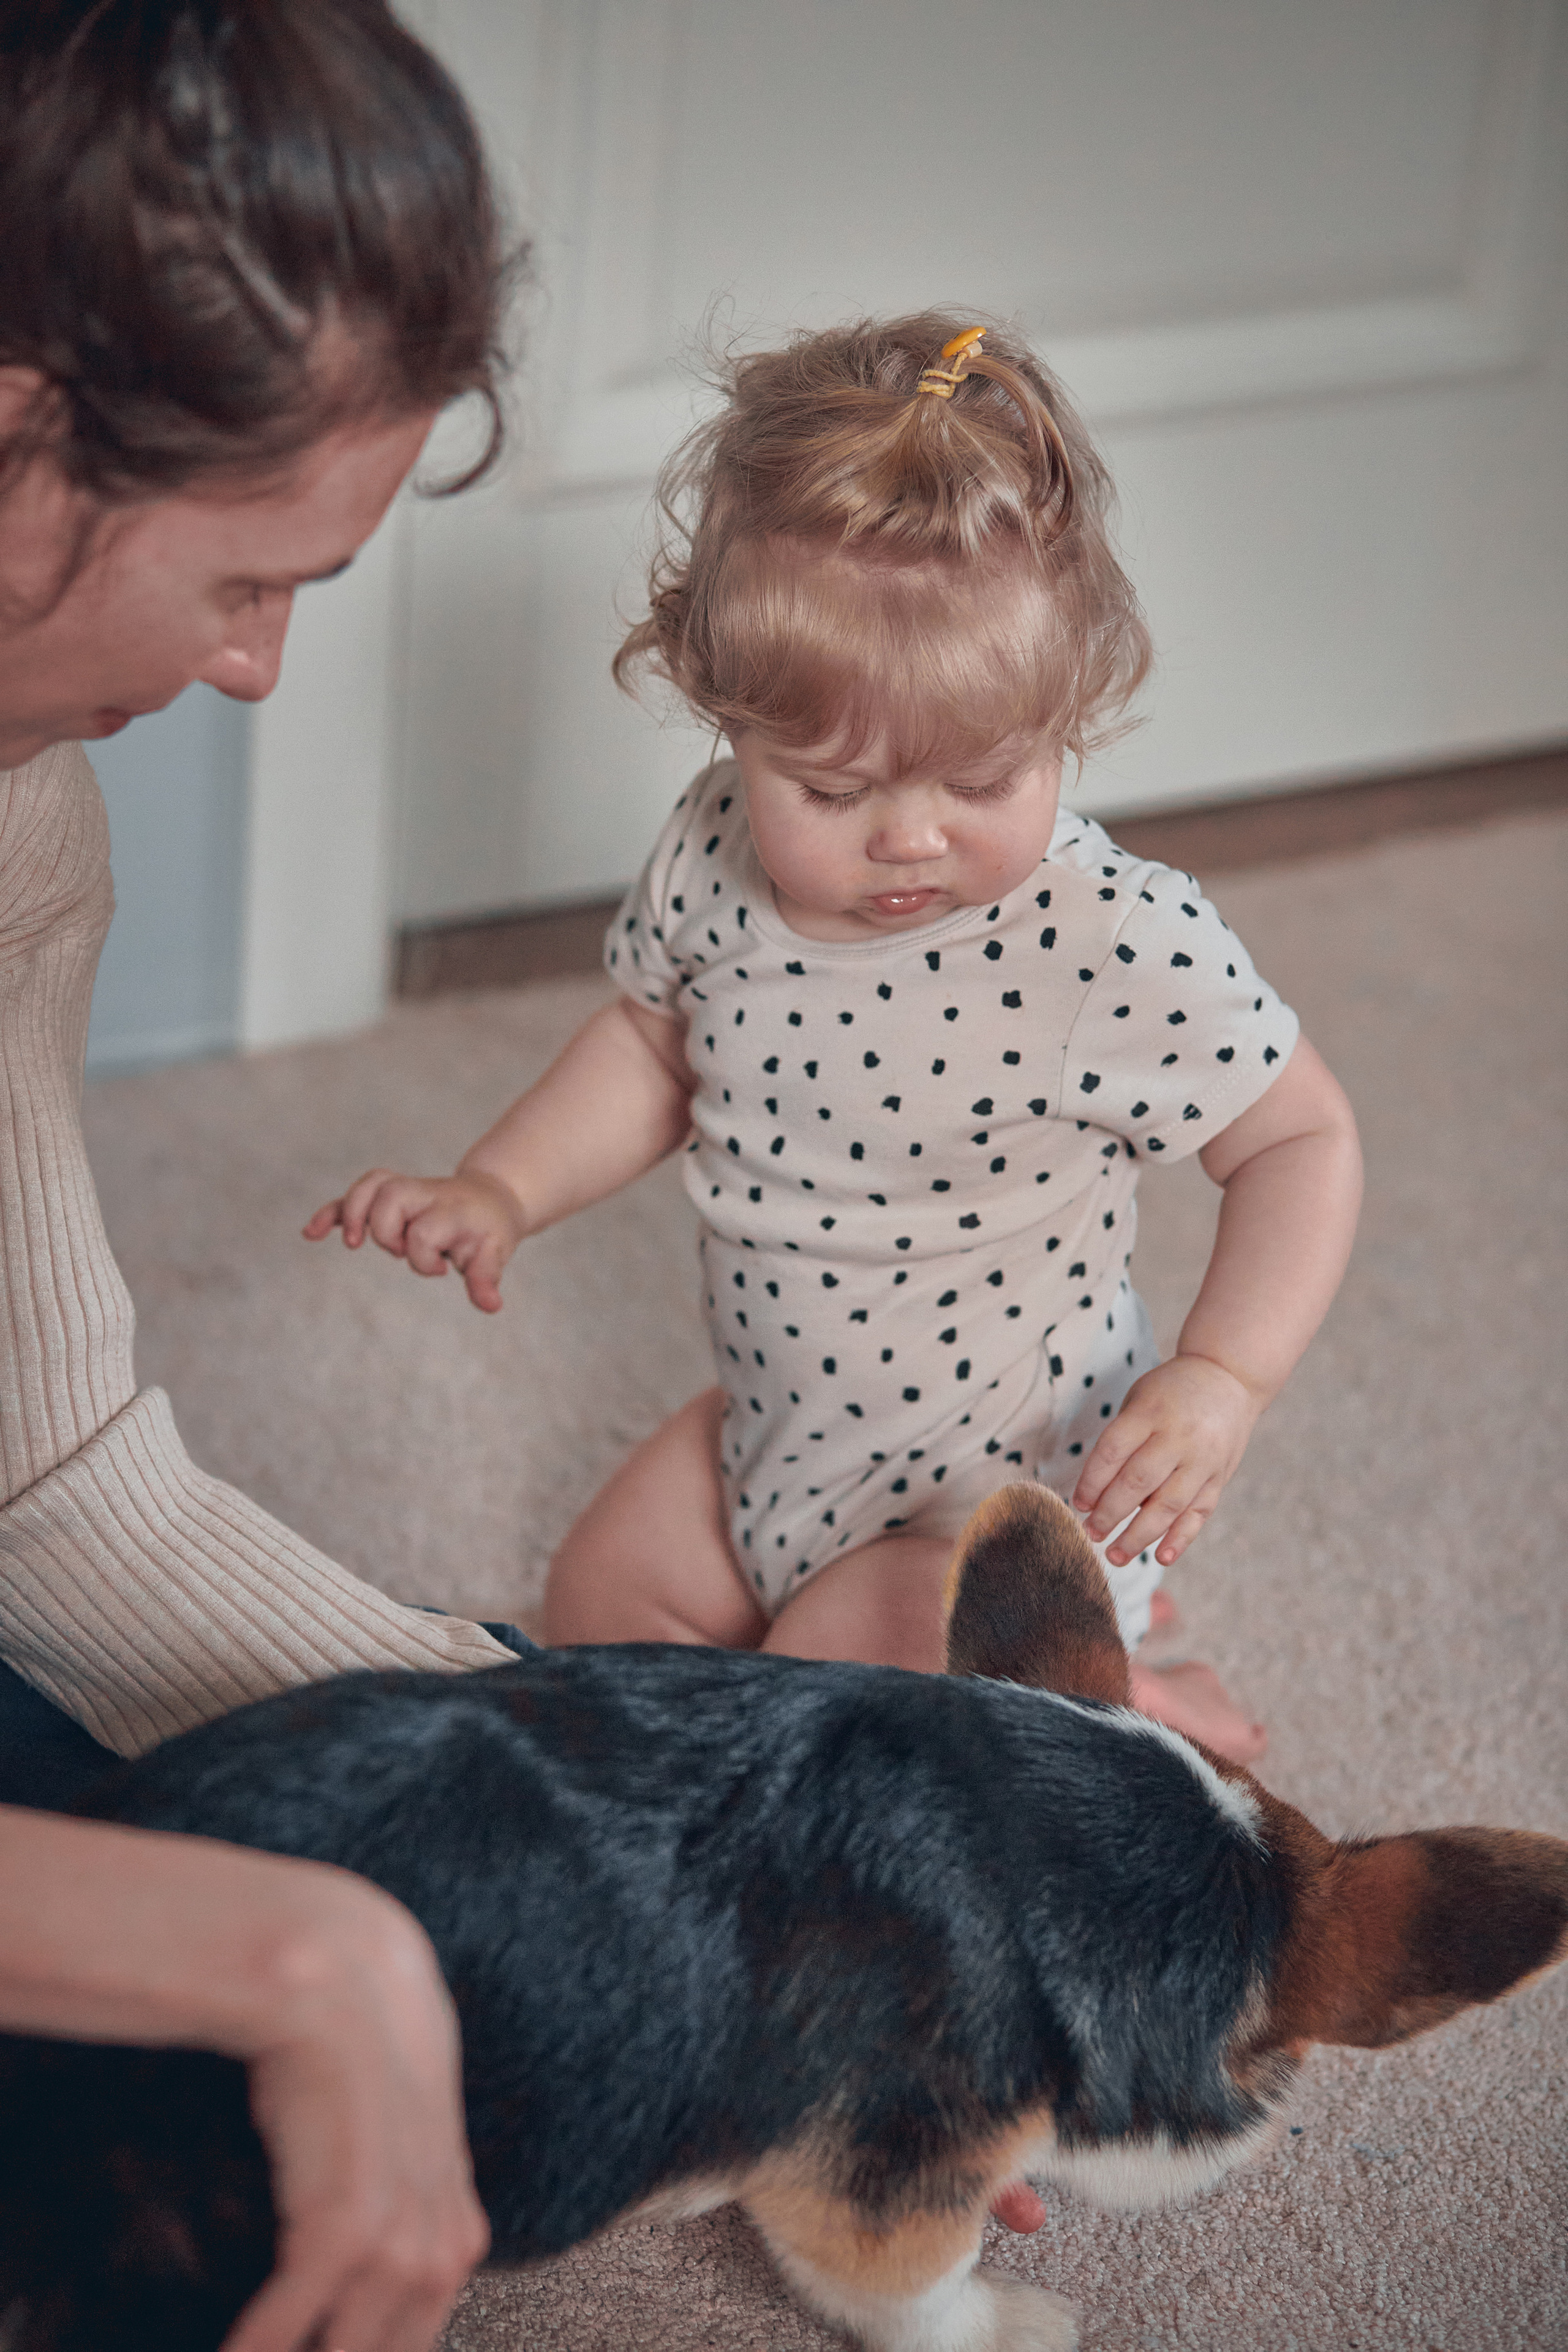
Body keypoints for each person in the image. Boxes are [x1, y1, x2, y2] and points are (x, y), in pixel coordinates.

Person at [309, 312, 1364, 1768]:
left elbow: (1300, 1138)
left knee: (825, 1702)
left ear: (1069, 704)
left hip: (1000, 1497)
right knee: (592, 1610)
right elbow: (649, 1048)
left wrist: (1222, 1375)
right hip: (780, 1437)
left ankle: (1110, 1677)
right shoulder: (717, 845)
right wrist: (496, 1187)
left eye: (981, 775)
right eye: (831, 785)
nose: (909, 834)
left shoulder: (1107, 939)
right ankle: (1079, 1692)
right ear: (727, 720)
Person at [0, 2, 530, 2342]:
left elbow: (56, 1495)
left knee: (525, 1874)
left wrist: (637, 1790)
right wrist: (295, 1953)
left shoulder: (22, 793)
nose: (261, 673)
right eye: (251, 580)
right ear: (20, 434)